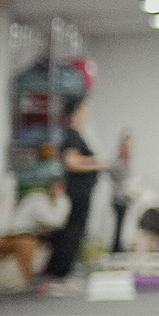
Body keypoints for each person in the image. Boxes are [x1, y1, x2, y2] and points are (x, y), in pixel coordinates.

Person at [42, 97, 104, 282]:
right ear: (76, 111)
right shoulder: (72, 136)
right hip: (76, 191)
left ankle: (65, 269)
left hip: (83, 192)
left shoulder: (80, 135)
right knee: (71, 230)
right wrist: (96, 164)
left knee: (77, 230)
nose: (87, 113)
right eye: (84, 109)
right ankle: (61, 271)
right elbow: (72, 162)